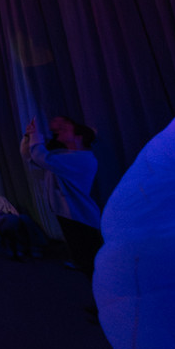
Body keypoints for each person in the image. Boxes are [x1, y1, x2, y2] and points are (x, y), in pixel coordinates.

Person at [22, 115, 102, 273]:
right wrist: (28, 137)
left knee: (91, 260)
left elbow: (41, 157)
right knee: (82, 254)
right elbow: (32, 157)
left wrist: (35, 136)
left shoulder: (82, 159)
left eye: (66, 128)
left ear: (79, 138)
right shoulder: (66, 155)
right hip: (70, 212)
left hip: (80, 216)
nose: (60, 130)